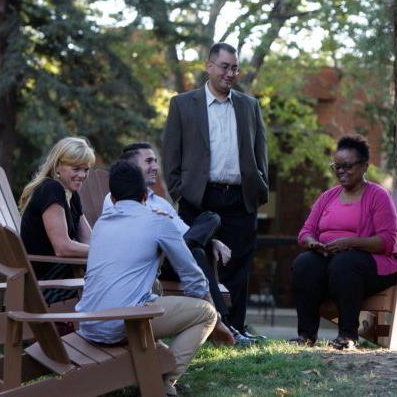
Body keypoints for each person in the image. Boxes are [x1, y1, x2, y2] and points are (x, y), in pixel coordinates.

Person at [77, 160, 233, 395]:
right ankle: (164, 381)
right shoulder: (158, 220)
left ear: (114, 198)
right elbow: (193, 276)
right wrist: (218, 321)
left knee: (155, 287)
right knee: (206, 314)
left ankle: (156, 364)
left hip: (89, 323)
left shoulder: (101, 224)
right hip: (120, 324)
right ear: (144, 195)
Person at [163, 42, 269, 341]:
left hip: (240, 197)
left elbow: (261, 154)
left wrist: (260, 190)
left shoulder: (250, 106)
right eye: (225, 66)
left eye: (235, 67)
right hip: (200, 198)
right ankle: (209, 327)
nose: (230, 73)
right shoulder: (183, 105)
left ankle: (236, 330)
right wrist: (180, 192)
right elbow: (171, 154)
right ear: (209, 66)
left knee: (238, 266)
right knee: (199, 261)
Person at [103, 142, 243, 344]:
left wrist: (211, 240)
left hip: (178, 255)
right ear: (132, 167)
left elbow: (186, 232)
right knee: (194, 252)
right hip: (154, 262)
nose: (155, 167)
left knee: (210, 220)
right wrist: (156, 224)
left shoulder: (161, 203)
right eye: (149, 161)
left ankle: (220, 322)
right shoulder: (115, 199)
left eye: (156, 161)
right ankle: (224, 324)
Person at [290, 135, 397, 350]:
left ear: (364, 166)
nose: (341, 171)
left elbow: (387, 241)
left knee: (345, 263)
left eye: (347, 166)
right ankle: (306, 336)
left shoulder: (378, 196)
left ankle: (348, 335)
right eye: (336, 166)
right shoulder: (328, 197)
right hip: (329, 261)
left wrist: (350, 242)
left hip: (371, 266)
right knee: (304, 263)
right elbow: (306, 232)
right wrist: (314, 244)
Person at [19, 136, 94, 304]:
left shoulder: (71, 195)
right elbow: (62, 248)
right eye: (76, 169)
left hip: (61, 272)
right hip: (44, 284)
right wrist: (108, 253)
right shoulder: (50, 189)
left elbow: (90, 240)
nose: (82, 175)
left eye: (86, 169)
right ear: (58, 166)